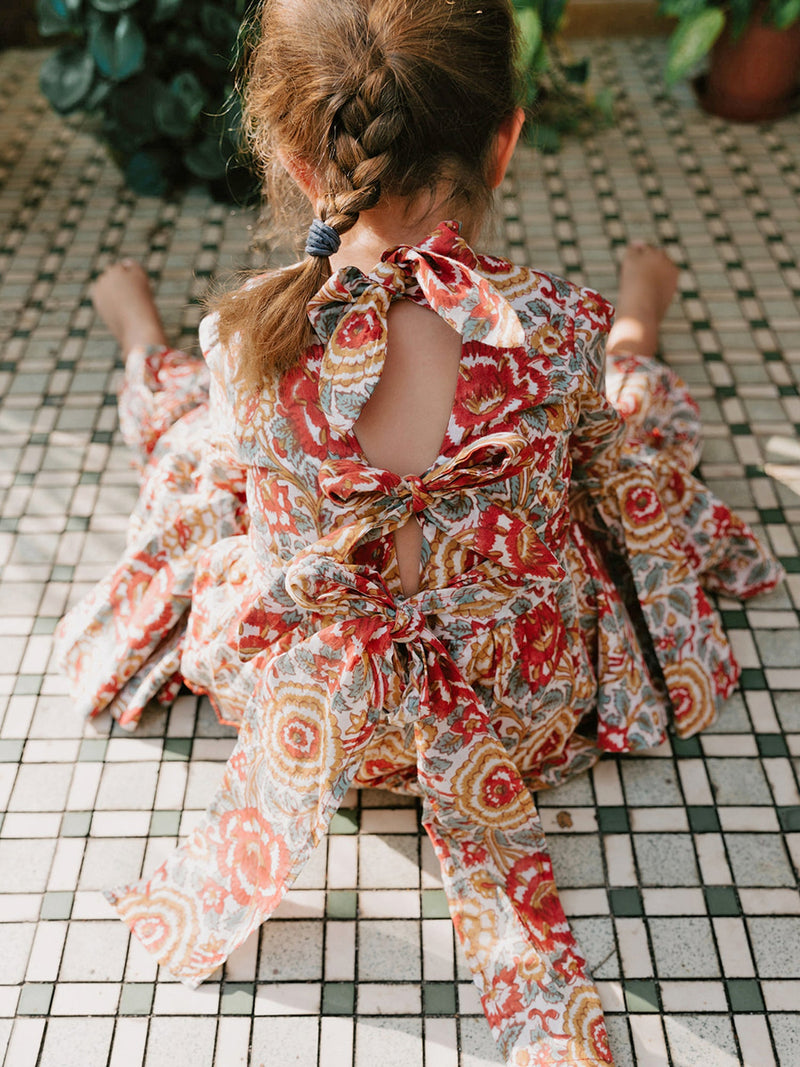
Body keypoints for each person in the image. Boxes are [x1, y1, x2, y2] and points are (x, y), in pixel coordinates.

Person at [55, 1, 783, 1063]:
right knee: (624, 439)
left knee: (198, 463)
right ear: (507, 137)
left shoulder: (245, 336)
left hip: (321, 724)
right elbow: (615, 487)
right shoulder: (557, 329)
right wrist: (608, 342)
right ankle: (644, 318)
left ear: (295, 160)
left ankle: (137, 339)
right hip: (516, 710)